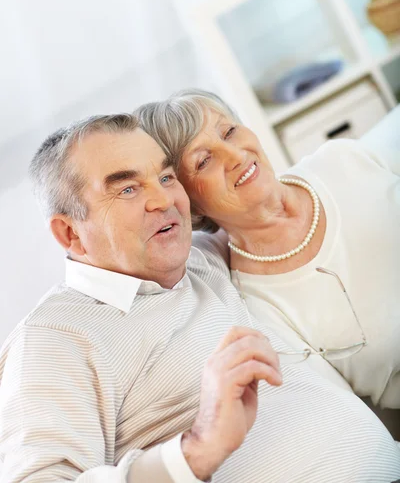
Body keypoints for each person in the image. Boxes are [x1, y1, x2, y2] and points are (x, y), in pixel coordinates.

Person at [1, 113, 400, 483]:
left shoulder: (202, 259)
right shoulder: (53, 338)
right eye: (126, 189)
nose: (163, 200)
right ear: (69, 234)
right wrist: (197, 447)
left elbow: (268, 202)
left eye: (167, 177)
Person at [137, 90, 400, 410]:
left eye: (230, 131)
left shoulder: (341, 161)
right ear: (188, 203)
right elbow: (352, 414)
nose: (234, 155)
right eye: (204, 160)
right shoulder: (260, 310)